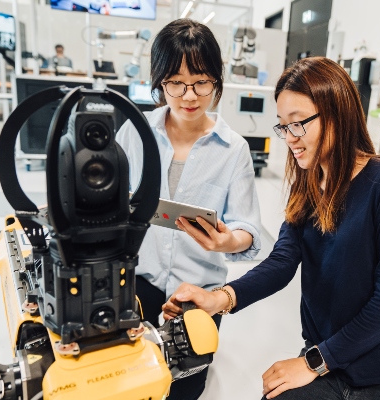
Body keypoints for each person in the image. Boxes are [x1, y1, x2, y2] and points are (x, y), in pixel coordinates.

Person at [162, 57, 380, 400]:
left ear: (337, 114)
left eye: (298, 123)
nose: (289, 137)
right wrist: (219, 298)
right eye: (282, 125)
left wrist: (312, 363)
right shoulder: (306, 187)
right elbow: (282, 262)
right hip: (332, 365)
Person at [115, 19, 262, 400]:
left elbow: (249, 230)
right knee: (128, 380)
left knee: (184, 387)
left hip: (199, 292)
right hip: (136, 281)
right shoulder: (135, 132)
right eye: (175, 82)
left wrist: (226, 241)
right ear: (159, 81)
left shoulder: (233, 150)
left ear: (217, 79)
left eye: (201, 81)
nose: (189, 95)